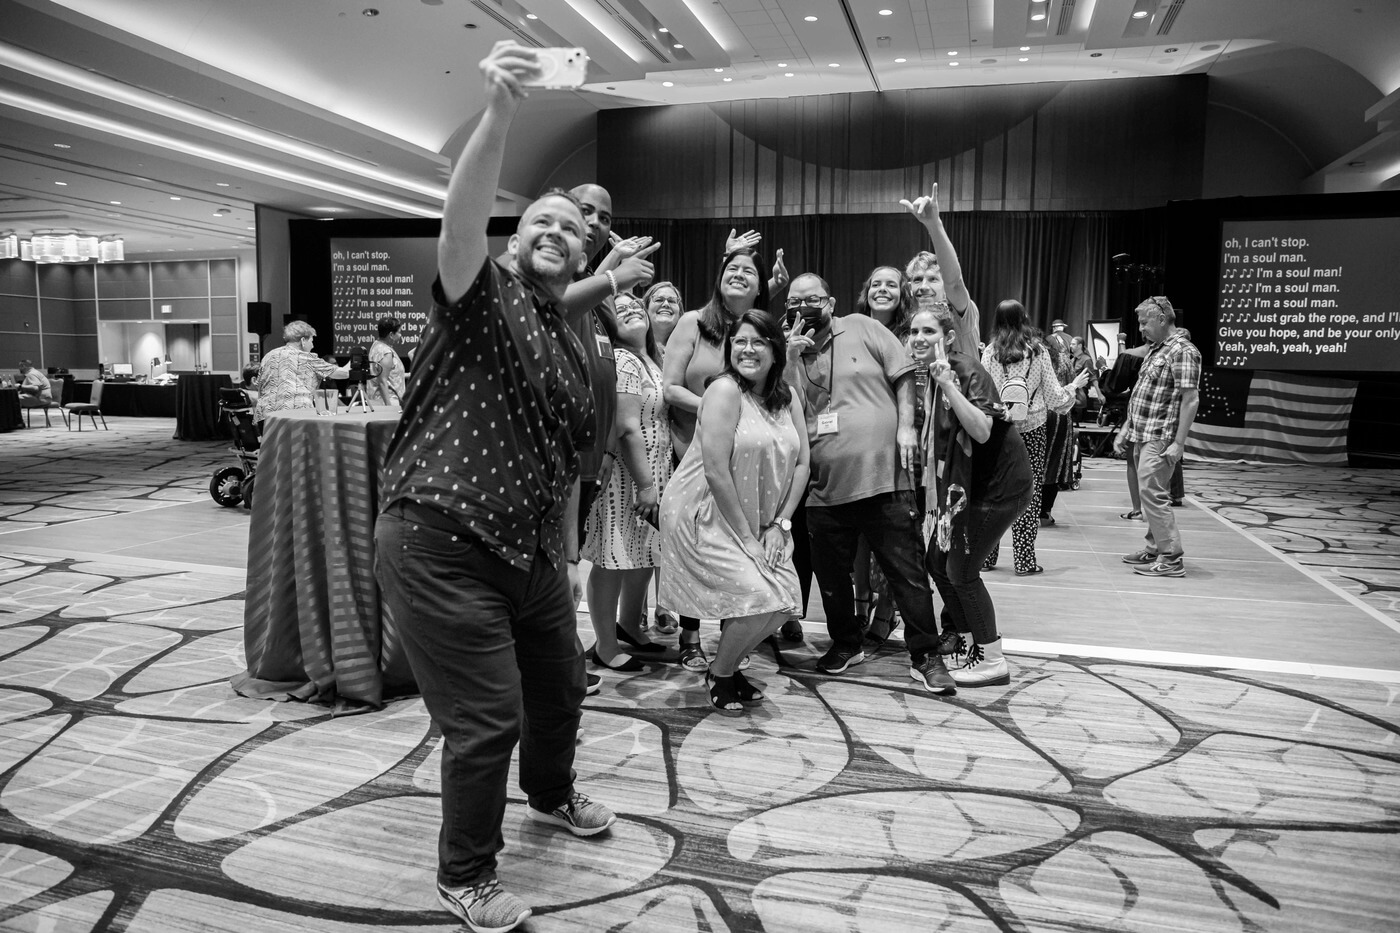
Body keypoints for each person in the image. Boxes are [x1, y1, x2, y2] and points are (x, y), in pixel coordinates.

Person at [373, 42, 616, 933]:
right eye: (541, 223)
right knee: (486, 716)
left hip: (529, 552)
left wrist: (562, 551)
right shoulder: (480, 292)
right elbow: (461, 224)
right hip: (440, 538)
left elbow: (563, 438)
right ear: (518, 242)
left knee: (561, 689)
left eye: (571, 227)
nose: (555, 232)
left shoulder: (561, 328)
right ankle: (466, 872)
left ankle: (550, 795)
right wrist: (502, 114)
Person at [784, 271, 959, 692]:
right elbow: (786, 406)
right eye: (794, 300)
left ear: (829, 302)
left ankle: (926, 655)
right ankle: (846, 644)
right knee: (831, 579)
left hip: (885, 477)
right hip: (822, 487)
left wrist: (905, 427)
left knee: (907, 573)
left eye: (811, 298)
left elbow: (903, 376)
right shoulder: (790, 352)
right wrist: (790, 358)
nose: (802, 306)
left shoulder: (864, 327)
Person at [659, 310, 809, 712]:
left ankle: (724, 668)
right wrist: (747, 538)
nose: (747, 349)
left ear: (775, 351)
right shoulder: (724, 390)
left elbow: (803, 464)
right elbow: (715, 470)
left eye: (758, 341)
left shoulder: (787, 397)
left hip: (762, 516)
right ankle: (722, 672)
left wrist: (781, 523)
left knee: (785, 603)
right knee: (760, 594)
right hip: (703, 512)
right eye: (739, 341)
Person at [661, 244, 773, 670]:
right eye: (731, 267)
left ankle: (732, 641)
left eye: (748, 270)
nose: (738, 274)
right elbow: (670, 388)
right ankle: (690, 638)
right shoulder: (693, 322)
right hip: (690, 454)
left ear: (761, 287)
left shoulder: (757, 330)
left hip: (742, 463)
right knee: (693, 545)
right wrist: (717, 409)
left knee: (735, 551)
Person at [910, 301, 1033, 687]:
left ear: (948, 337)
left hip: (999, 488)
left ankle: (992, 657)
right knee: (936, 562)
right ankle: (967, 644)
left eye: (928, 331)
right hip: (963, 490)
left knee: (961, 572)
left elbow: (980, 430)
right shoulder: (926, 375)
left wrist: (948, 384)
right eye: (913, 331)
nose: (918, 338)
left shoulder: (965, 370)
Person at [581, 293, 673, 672]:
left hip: (654, 474)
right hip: (628, 478)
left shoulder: (656, 358)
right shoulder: (623, 360)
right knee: (612, 558)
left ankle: (629, 629)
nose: (633, 310)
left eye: (637, 306)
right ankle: (604, 645)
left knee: (639, 557)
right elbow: (627, 428)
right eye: (621, 309)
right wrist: (646, 485)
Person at [979, 300, 1087, 575]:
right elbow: (1054, 398)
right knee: (1029, 493)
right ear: (1024, 318)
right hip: (1033, 429)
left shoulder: (990, 352)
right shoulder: (1037, 352)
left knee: (994, 492)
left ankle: (987, 558)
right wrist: (1073, 387)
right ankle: (1024, 561)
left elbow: (983, 396)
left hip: (998, 431)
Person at [851, 264, 917, 643]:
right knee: (860, 532)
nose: (882, 290)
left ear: (902, 291)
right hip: (859, 446)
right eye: (876, 283)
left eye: (891, 284)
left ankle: (887, 612)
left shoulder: (911, 334)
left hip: (900, 445)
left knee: (892, 535)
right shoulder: (852, 328)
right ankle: (860, 606)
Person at [1114, 297, 1200, 577]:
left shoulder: (1183, 351)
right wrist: (1127, 428)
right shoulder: (1158, 349)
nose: (1140, 328)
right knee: (1149, 494)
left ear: (1162, 319)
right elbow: (1143, 392)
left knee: (1153, 494)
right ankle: (1154, 547)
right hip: (1144, 433)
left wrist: (1179, 442)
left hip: (1161, 436)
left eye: (1144, 322)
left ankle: (1172, 558)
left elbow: (1190, 399)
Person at [903, 182, 980, 361]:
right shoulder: (908, 321)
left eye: (932, 279)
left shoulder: (958, 315)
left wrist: (934, 225)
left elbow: (954, 283)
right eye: (917, 280)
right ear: (909, 287)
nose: (923, 286)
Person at [252, 322, 348, 422]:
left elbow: (259, 386)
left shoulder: (268, 356)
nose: (313, 346)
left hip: (265, 418)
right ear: (303, 340)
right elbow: (344, 373)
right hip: (295, 417)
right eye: (311, 341)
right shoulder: (307, 358)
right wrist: (356, 358)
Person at [1039, 336, 1078, 526]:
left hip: (1035, 413)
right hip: (1060, 413)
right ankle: (1044, 512)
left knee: (1032, 462)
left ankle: (1026, 510)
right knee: (1054, 464)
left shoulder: (1032, 355)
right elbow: (1071, 387)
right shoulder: (1064, 360)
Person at [366, 315, 406, 406]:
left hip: (380, 401)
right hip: (389, 402)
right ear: (391, 335)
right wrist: (388, 407)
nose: (401, 335)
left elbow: (390, 375)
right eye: (399, 332)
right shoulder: (386, 353)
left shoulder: (376, 346)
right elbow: (382, 381)